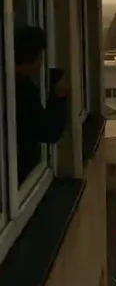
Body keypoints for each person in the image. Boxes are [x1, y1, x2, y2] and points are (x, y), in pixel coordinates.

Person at [14, 25, 68, 183]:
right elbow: (47, 131)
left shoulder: (11, 83)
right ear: (36, 57)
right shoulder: (22, 88)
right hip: (22, 184)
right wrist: (58, 97)